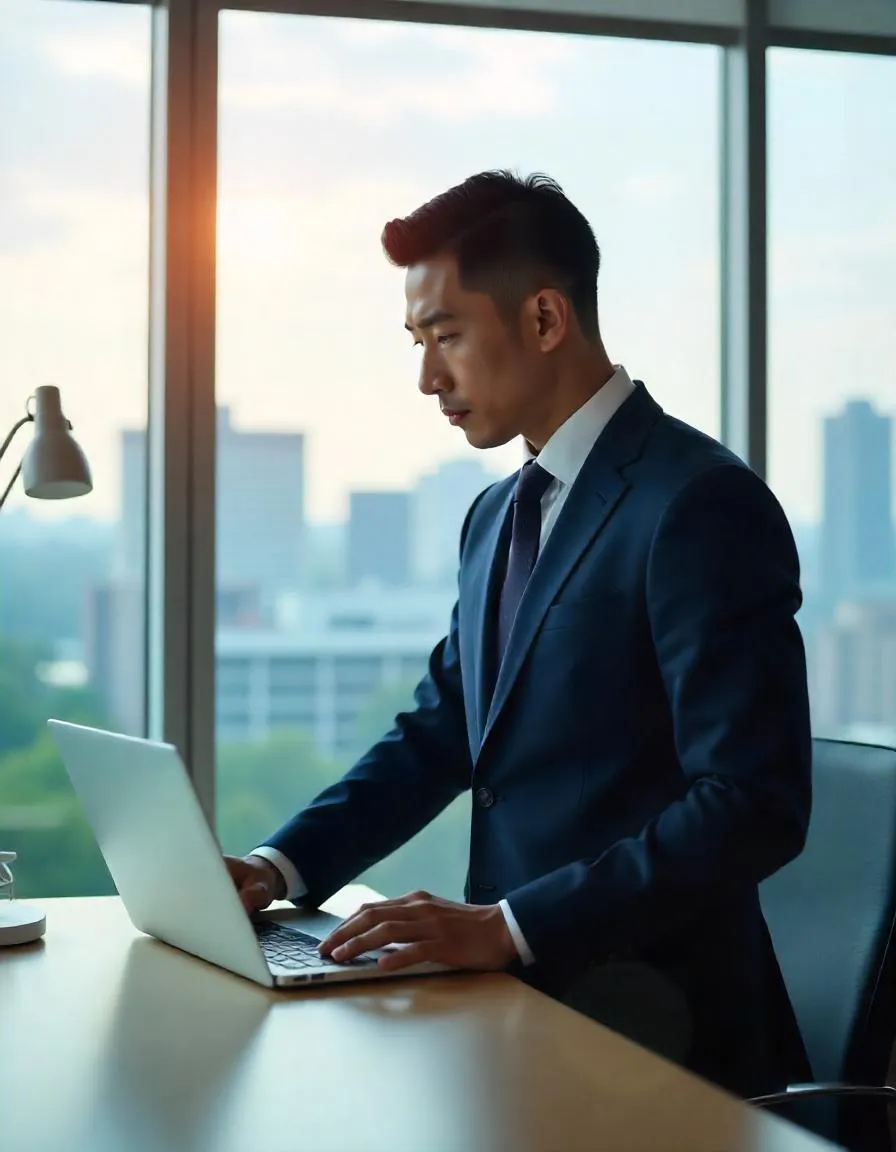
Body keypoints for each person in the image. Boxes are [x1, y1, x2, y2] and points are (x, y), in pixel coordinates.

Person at [225, 170, 812, 1097]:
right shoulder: (497, 514)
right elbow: (445, 729)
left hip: (661, 1035)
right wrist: (274, 866)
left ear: (544, 319)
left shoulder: (700, 503)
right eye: (418, 342)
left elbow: (752, 804)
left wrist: (506, 924)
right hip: (513, 1020)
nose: (427, 379)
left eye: (447, 336)